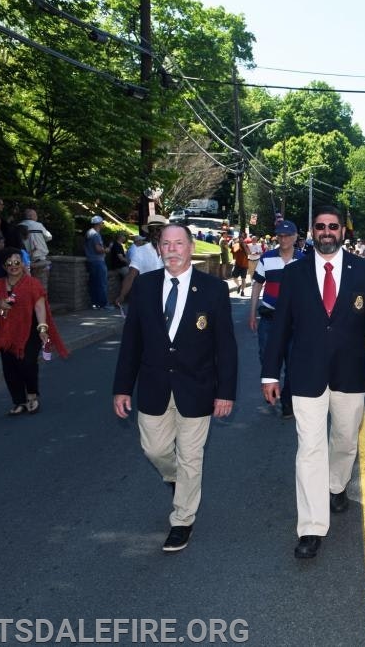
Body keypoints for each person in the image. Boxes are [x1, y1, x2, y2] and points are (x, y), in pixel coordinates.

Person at [262, 206, 365, 559]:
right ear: (312, 231)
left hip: (351, 373)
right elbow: (280, 329)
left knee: (346, 440)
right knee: (309, 450)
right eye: (320, 227)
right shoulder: (294, 274)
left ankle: (337, 485)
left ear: (343, 232)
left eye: (333, 226)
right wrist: (270, 372)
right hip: (306, 374)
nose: (326, 232)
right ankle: (310, 528)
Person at [112, 224, 238, 553]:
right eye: (166, 244)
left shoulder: (212, 289)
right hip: (154, 385)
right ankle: (176, 479)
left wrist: (226, 391)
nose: (172, 249)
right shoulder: (145, 287)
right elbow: (131, 342)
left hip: (197, 386)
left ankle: (182, 520)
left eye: (178, 243)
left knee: (191, 457)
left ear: (190, 247)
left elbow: (225, 345)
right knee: (154, 450)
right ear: (159, 249)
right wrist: (122, 387)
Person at [0, 249, 68, 415]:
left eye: (17, 262)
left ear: (23, 263)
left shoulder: (33, 284)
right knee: (10, 368)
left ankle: (32, 396)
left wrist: (42, 328)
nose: (13, 266)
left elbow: (40, 307)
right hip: (7, 332)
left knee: (27, 363)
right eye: (9, 263)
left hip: (30, 330)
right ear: (4, 266)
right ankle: (19, 401)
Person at [249, 220, 303, 419]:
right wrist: (252, 313)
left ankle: (287, 402)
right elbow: (257, 285)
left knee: (293, 362)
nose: (284, 239)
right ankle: (270, 386)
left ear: (296, 237)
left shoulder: (304, 261)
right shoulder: (266, 258)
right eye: (280, 235)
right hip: (269, 318)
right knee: (266, 356)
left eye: (288, 235)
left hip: (294, 322)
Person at [116, 215, 167, 309]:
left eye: (158, 229)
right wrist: (122, 295)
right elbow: (131, 275)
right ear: (149, 233)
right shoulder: (140, 251)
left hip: (168, 298)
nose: (155, 233)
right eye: (152, 230)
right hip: (147, 298)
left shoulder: (172, 250)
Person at [18, 209, 53, 289]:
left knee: (25, 284)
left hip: (24, 260)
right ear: (31, 216)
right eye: (36, 215)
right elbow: (49, 237)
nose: (36, 217)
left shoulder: (19, 226)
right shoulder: (38, 225)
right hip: (39, 260)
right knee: (40, 285)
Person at [85, 216, 108, 309]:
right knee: (102, 283)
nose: (103, 224)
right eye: (102, 223)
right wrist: (106, 250)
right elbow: (98, 249)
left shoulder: (89, 232)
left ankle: (95, 303)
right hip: (98, 261)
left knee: (94, 283)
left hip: (91, 261)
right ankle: (103, 304)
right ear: (98, 224)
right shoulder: (95, 234)